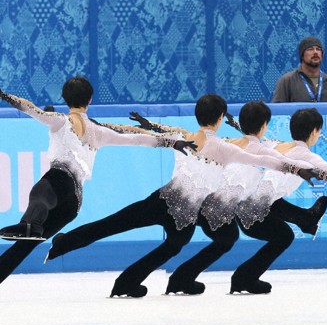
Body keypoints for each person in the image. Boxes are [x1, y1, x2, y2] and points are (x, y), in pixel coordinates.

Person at [46, 94, 320, 298]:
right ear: (221, 118)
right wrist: (298, 169)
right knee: (172, 245)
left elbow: (146, 131)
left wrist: (127, 123)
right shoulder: (223, 147)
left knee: (116, 223)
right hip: (184, 214)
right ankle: (129, 282)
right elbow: (267, 160)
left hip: (163, 201)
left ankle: (67, 244)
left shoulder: (183, 135)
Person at [0, 78, 192, 284]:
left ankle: (30, 223)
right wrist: (172, 142)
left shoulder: (60, 121)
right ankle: (29, 228)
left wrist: (4, 95)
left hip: (60, 181)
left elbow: (31, 109)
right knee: (25, 246)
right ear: (89, 100)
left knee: (40, 192)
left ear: (64, 98)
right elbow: (136, 137)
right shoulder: (98, 131)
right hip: (74, 203)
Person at [164, 102, 327, 295]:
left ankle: (303, 219)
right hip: (220, 206)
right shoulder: (264, 149)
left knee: (239, 228)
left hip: (211, 201)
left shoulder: (239, 144)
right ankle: (238, 278)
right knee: (276, 236)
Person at [230, 107, 327, 294]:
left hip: (245, 206)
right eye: (319, 131)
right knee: (284, 237)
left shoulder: (274, 145)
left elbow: (252, 139)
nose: (319, 135)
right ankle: (243, 278)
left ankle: (305, 218)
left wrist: (237, 125)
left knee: (272, 198)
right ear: (314, 132)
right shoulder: (305, 155)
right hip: (253, 213)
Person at [272, 36, 327, 103]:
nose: (315, 52)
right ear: (302, 55)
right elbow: (278, 112)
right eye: (310, 49)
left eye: (318, 49)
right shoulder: (287, 81)